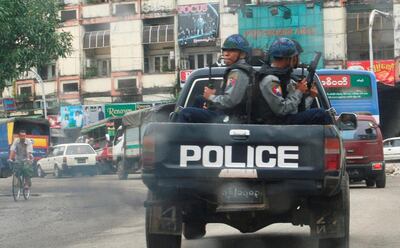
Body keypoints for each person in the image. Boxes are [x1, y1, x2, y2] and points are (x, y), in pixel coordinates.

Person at [176, 34, 252, 123]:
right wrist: (211, 102)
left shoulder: (237, 72)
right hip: (228, 113)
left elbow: (229, 101)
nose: (226, 54)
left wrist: (210, 97)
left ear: (242, 54)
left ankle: (186, 136)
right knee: (199, 99)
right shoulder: (236, 70)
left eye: (231, 50)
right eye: (225, 50)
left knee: (186, 113)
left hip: (231, 118)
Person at [255, 37, 332, 125]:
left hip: (283, 123)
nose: (298, 60)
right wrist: (299, 91)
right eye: (296, 57)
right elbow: (282, 110)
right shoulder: (271, 80)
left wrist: (311, 96)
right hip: (276, 125)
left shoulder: (284, 78)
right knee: (320, 114)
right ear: (290, 58)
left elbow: (296, 110)